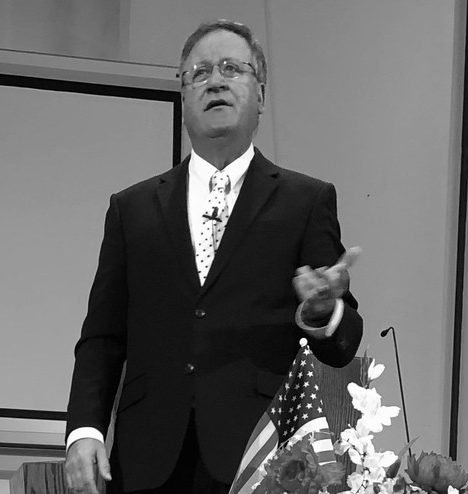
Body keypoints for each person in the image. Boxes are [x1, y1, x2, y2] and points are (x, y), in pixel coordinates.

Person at [65, 19, 363, 494]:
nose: (215, 81)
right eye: (199, 73)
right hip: (147, 457)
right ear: (184, 96)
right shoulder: (132, 209)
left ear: (260, 95)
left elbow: (343, 346)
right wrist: (84, 430)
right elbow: (103, 337)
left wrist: (322, 312)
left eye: (231, 69)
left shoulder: (305, 201)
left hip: (261, 456)